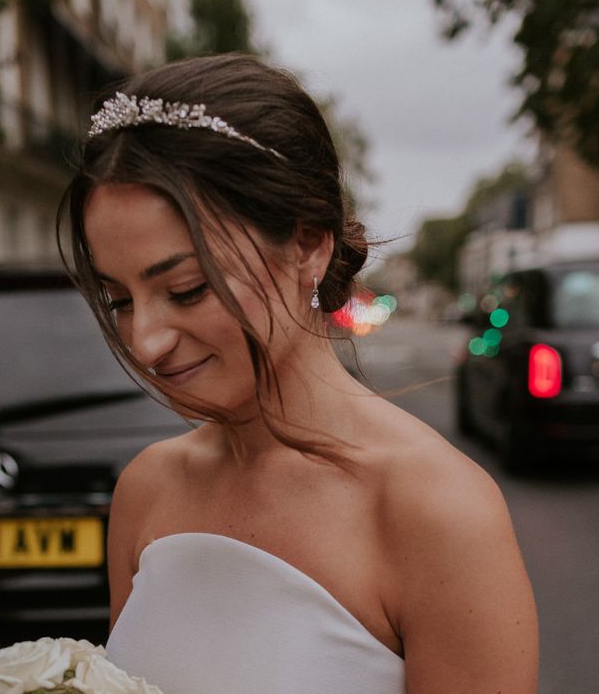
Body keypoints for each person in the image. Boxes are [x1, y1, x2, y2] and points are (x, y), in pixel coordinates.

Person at [59, 53, 538, 694]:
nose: (144, 342)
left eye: (187, 288)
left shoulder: (438, 511)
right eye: (119, 300)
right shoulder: (147, 490)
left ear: (309, 244)